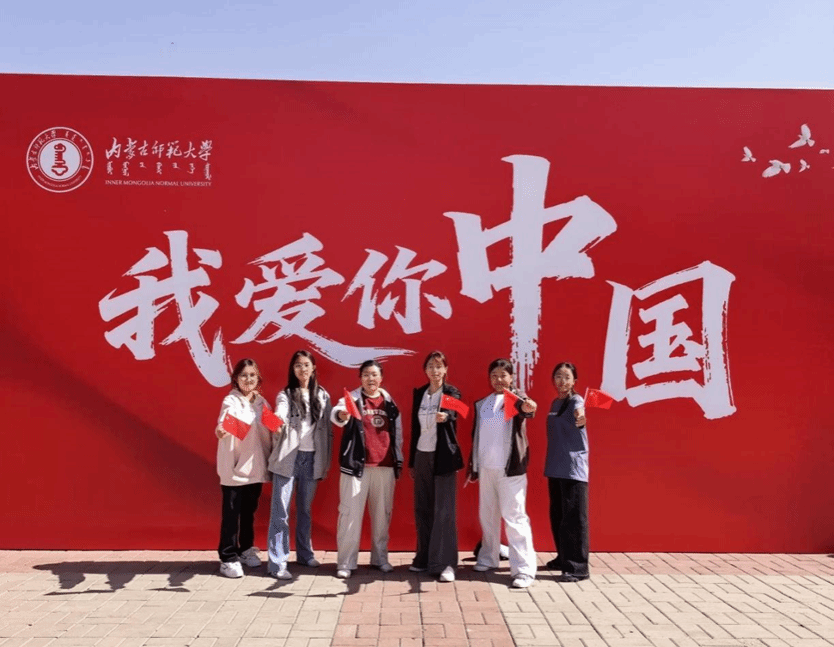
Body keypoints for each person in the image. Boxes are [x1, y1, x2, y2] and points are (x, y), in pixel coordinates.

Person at [465, 358, 538, 588]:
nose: (498, 380)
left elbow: (526, 407)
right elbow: (477, 436)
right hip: (487, 468)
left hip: (510, 471)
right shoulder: (483, 404)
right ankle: (489, 557)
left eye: (503, 375)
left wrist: (529, 406)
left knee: (515, 518)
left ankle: (524, 570)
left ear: (511, 377)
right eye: (494, 376)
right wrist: (474, 466)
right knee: (487, 516)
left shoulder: (515, 398)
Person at [331, 360, 403, 579]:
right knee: (349, 515)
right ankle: (346, 562)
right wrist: (342, 415)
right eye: (366, 375)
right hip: (356, 466)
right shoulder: (352, 399)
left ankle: (380, 558)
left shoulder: (389, 402)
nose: (370, 379)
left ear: (381, 378)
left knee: (382, 515)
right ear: (360, 378)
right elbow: (337, 412)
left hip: (384, 466)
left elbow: (398, 434)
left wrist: (398, 460)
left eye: (374, 375)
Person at [266, 350, 333, 579]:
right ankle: (277, 563)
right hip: (288, 458)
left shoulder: (322, 395)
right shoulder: (286, 394)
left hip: (311, 459)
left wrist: (324, 463)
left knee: (304, 510)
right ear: (292, 370)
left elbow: (328, 432)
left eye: (306, 364)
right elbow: (280, 413)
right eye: (297, 365)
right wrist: (277, 422)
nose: (302, 369)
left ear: (313, 368)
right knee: (281, 511)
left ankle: (304, 554)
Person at [408, 350, 463, 582]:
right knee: (423, 508)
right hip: (422, 455)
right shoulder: (420, 393)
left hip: (443, 457)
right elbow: (415, 428)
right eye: (431, 366)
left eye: (439, 366)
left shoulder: (451, 392)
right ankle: (424, 557)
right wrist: (412, 461)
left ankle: (446, 563)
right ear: (425, 370)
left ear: (446, 369)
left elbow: (455, 412)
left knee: (444, 511)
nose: (435, 370)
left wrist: (446, 416)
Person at [215, 358, 272, 578]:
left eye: (252, 375)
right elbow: (224, 423)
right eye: (244, 375)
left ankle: (246, 549)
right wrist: (221, 430)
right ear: (236, 379)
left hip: (255, 467)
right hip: (234, 468)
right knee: (231, 514)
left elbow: (275, 428)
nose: (248, 379)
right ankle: (228, 557)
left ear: (258, 378)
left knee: (248, 513)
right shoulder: (231, 400)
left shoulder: (261, 403)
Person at [545, 362, 589, 582]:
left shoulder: (576, 401)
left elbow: (580, 414)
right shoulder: (555, 402)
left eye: (566, 377)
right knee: (558, 516)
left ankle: (578, 567)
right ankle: (563, 557)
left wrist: (581, 418)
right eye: (558, 376)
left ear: (574, 381)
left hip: (572, 468)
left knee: (574, 519)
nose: (562, 381)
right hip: (555, 465)